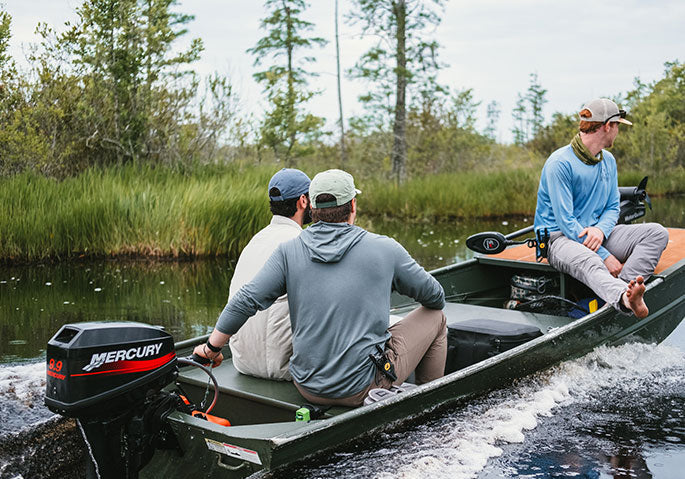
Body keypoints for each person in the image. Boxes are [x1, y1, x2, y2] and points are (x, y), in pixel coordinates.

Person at [194, 169, 447, 407]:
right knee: (437, 318)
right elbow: (435, 297)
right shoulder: (385, 248)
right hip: (363, 388)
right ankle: (430, 402)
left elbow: (245, 300)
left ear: (312, 207)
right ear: (353, 206)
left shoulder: (288, 251)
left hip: (307, 387)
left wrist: (211, 349)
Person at [534, 98, 669, 319]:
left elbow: (613, 206)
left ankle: (624, 290)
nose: (618, 132)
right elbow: (566, 222)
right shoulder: (559, 163)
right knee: (591, 260)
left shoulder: (608, 161)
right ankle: (624, 300)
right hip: (559, 239)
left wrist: (600, 231)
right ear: (608, 126)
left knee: (656, 233)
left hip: (597, 234)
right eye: (618, 126)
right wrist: (604, 255)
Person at [226, 168, 312, 380]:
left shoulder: (256, 240)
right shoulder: (300, 243)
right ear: (303, 201)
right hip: (283, 368)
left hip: (242, 363)